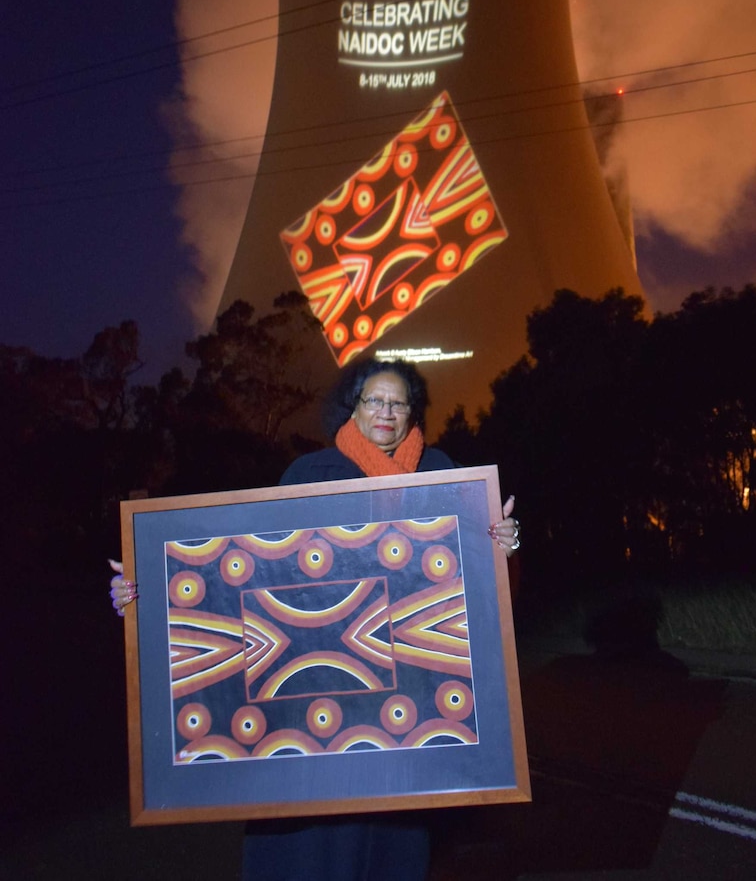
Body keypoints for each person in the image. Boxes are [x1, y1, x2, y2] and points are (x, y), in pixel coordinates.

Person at [110, 357, 520, 881]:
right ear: (353, 407)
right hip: (305, 703)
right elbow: (252, 571)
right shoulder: (310, 474)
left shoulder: (444, 477)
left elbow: (473, 589)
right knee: (306, 850)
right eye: (375, 400)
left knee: (390, 847)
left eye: (399, 402)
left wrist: (504, 545)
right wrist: (146, 586)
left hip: (407, 706)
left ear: (414, 412)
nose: (387, 412)